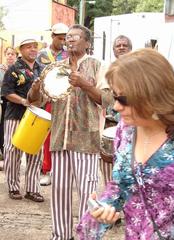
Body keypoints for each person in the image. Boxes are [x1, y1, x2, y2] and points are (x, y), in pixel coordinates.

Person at [77, 48, 174, 240]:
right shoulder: (125, 129)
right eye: (115, 97)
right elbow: (121, 184)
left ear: (151, 94)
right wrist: (104, 208)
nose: (116, 106)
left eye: (122, 98)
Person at [27, 24, 113, 240]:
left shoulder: (97, 66)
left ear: (87, 43)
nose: (70, 39)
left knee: (88, 194)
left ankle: (87, 235)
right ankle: (61, 235)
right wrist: (36, 89)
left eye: (75, 36)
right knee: (59, 193)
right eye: (68, 37)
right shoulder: (56, 68)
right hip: (59, 139)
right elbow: (35, 101)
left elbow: (107, 100)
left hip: (86, 140)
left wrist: (85, 84)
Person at [1, 38, 45, 202]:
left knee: (35, 152)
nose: (33, 49)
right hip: (15, 114)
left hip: (37, 115)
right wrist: (22, 101)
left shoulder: (42, 68)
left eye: (35, 47)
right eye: (29, 47)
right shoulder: (13, 68)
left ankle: (33, 189)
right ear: (21, 50)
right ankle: (13, 187)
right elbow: (6, 92)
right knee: (13, 151)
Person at [37, 22, 69, 186]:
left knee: (64, 134)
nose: (63, 41)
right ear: (52, 37)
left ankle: (62, 169)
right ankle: (46, 169)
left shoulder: (68, 55)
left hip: (64, 100)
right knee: (47, 136)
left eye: (65, 38)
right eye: (60, 38)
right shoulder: (41, 55)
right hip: (46, 100)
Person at [100, 35, 132, 185]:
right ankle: (109, 191)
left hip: (131, 121)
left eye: (124, 45)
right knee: (107, 158)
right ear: (113, 50)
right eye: (118, 45)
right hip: (109, 121)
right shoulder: (107, 69)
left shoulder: (137, 69)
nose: (121, 47)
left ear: (130, 48)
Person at [0, 47, 18, 170]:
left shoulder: (19, 69)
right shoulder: (0, 69)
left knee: (11, 133)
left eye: (12, 54)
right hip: (2, 103)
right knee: (1, 131)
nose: (10, 56)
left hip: (14, 105)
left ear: (16, 56)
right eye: (8, 54)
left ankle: (10, 161)